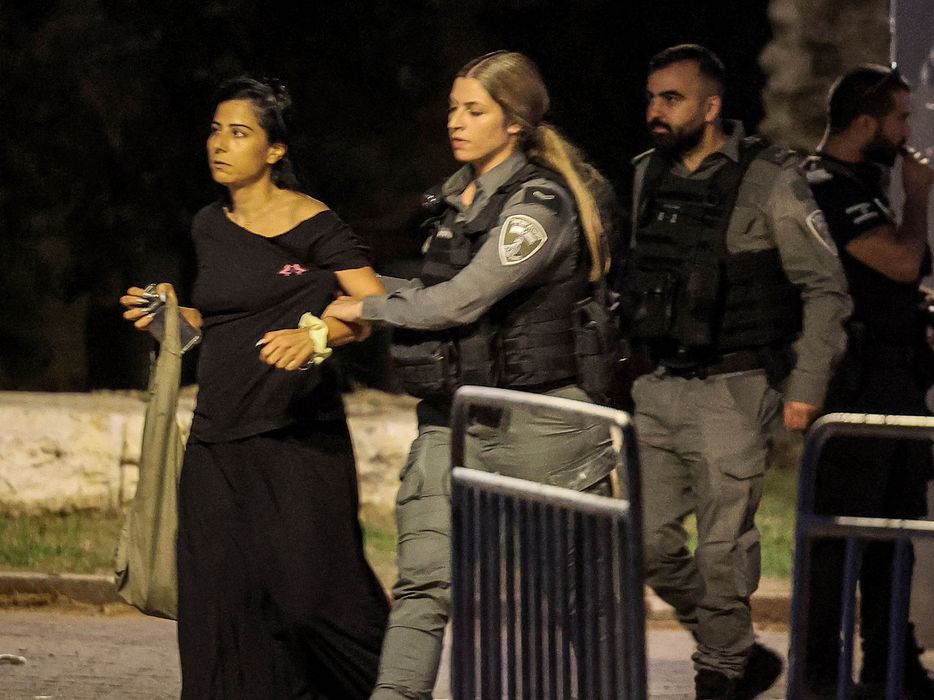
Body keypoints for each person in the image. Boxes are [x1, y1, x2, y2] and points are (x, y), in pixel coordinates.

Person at [323, 51, 617, 700]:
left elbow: (461, 301)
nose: (455, 122)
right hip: (452, 420)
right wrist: (331, 294)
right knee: (423, 584)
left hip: (541, 426)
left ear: (514, 123)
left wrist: (368, 306)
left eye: (474, 110)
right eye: (453, 107)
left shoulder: (538, 205)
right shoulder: (456, 198)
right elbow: (429, 289)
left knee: (572, 603)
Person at [119, 76, 390, 699]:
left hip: (298, 441)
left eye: (239, 132)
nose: (220, 143)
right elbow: (214, 321)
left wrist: (318, 336)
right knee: (217, 613)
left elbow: (375, 305)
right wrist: (168, 314)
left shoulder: (312, 221)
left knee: (311, 603)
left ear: (273, 150)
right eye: (215, 129)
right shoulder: (208, 225)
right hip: (217, 444)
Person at [619, 44, 851, 700]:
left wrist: (805, 388)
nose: (656, 111)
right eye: (651, 98)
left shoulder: (770, 179)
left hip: (734, 388)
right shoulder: (647, 175)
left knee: (723, 554)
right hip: (658, 385)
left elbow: (825, 288)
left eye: (672, 99)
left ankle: (718, 678)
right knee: (646, 546)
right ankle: (734, 650)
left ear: (712, 106)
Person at [800, 63, 934, 700]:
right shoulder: (826, 185)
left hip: (889, 379)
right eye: (900, 118)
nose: (908, 131)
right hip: (855, 389)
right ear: (866, 124)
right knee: (842, 537)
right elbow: (898, 258)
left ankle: (888, 665)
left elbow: (887, 279)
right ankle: (821, 673)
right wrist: (919, 195)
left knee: (892, 532)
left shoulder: (857, 182)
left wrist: (920, 307)